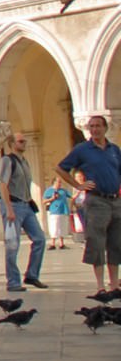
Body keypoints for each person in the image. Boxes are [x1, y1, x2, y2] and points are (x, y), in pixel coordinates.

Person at [58, 113, 121, 291]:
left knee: (116, 242)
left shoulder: (114, 150)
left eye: (97, 126)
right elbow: (61, 168)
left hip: (115, 200)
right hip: (96, 200)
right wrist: (78, 185)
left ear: (105, 128)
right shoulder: (82, 149)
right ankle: (100, 285)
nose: (94, 129)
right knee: (97, 242)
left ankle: (115, 283)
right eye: (91, 126)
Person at [0, 132, 47, 291]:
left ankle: (32, 275)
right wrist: (9, 208)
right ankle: (13, 282)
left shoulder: (24, 162)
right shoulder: (7, 160)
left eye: (24, 141)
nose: (24, 143)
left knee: (40, 239)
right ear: (12, 144)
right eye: (20, 141)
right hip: (14, 205)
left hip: (26, 205)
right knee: (12, 244)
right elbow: (2, 184)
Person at [43, 180, 74, 250]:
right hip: (54, 211)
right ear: (54, 183)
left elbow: (71, 197)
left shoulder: (63, 191)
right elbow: (44, 201)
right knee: (54, 227)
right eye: (58, 182)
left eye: (60, 182)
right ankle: (52, 243)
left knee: (62, 227)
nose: (59, 184)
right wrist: (52, 198)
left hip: (63, 211)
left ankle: (61, 244)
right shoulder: (49, 191)